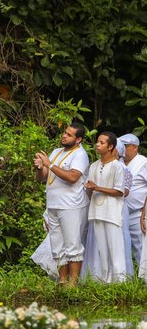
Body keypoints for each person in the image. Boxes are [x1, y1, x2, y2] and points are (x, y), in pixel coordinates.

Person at [33, 122, 90, 285]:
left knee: (72, 245)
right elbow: (42, 178)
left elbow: (72, 177)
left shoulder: (80, 154)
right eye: (65, 132)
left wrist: (49, 164)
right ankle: (62, 281)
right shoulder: (56, 152)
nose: (64, 136)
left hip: (71, 205)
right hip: (53, 205)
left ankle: (73, 283)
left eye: (69, 135)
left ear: (78, 139)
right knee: (57, 246)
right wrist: (40, 167)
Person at [85, 132, 126, 283]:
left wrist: (97, 188)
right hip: (96, 211)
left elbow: (120, 191)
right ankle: (105, 280)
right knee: (102, 249)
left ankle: (120, 281)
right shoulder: (94, 165)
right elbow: (90, 188)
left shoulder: (117, 166)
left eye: (102, 143)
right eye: (97, 142)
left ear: (110, 147)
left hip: (112, 212)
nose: (97, 145)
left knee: (115, 248)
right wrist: (90, 189)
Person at [120, 134, 147, 265]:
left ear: (135, 147)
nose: (122, 148)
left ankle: (143, 276)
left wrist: (144, 214)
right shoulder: (117, 161)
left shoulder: (143, 162)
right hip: (119, 212)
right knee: (120, 248)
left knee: (141, 248)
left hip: (137, 213)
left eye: (125, 146)